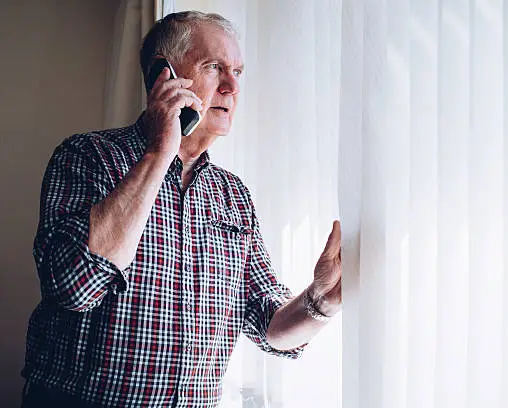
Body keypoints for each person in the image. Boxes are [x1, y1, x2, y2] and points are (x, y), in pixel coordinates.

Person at [21, 11, 342, 408]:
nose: (231, 86)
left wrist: (321, 301)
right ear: (163, 77)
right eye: (214, 67)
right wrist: (160, 152)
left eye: (238, 72)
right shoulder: (87, 156)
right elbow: (74, 288)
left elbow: (269, 324)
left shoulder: (233, 195)